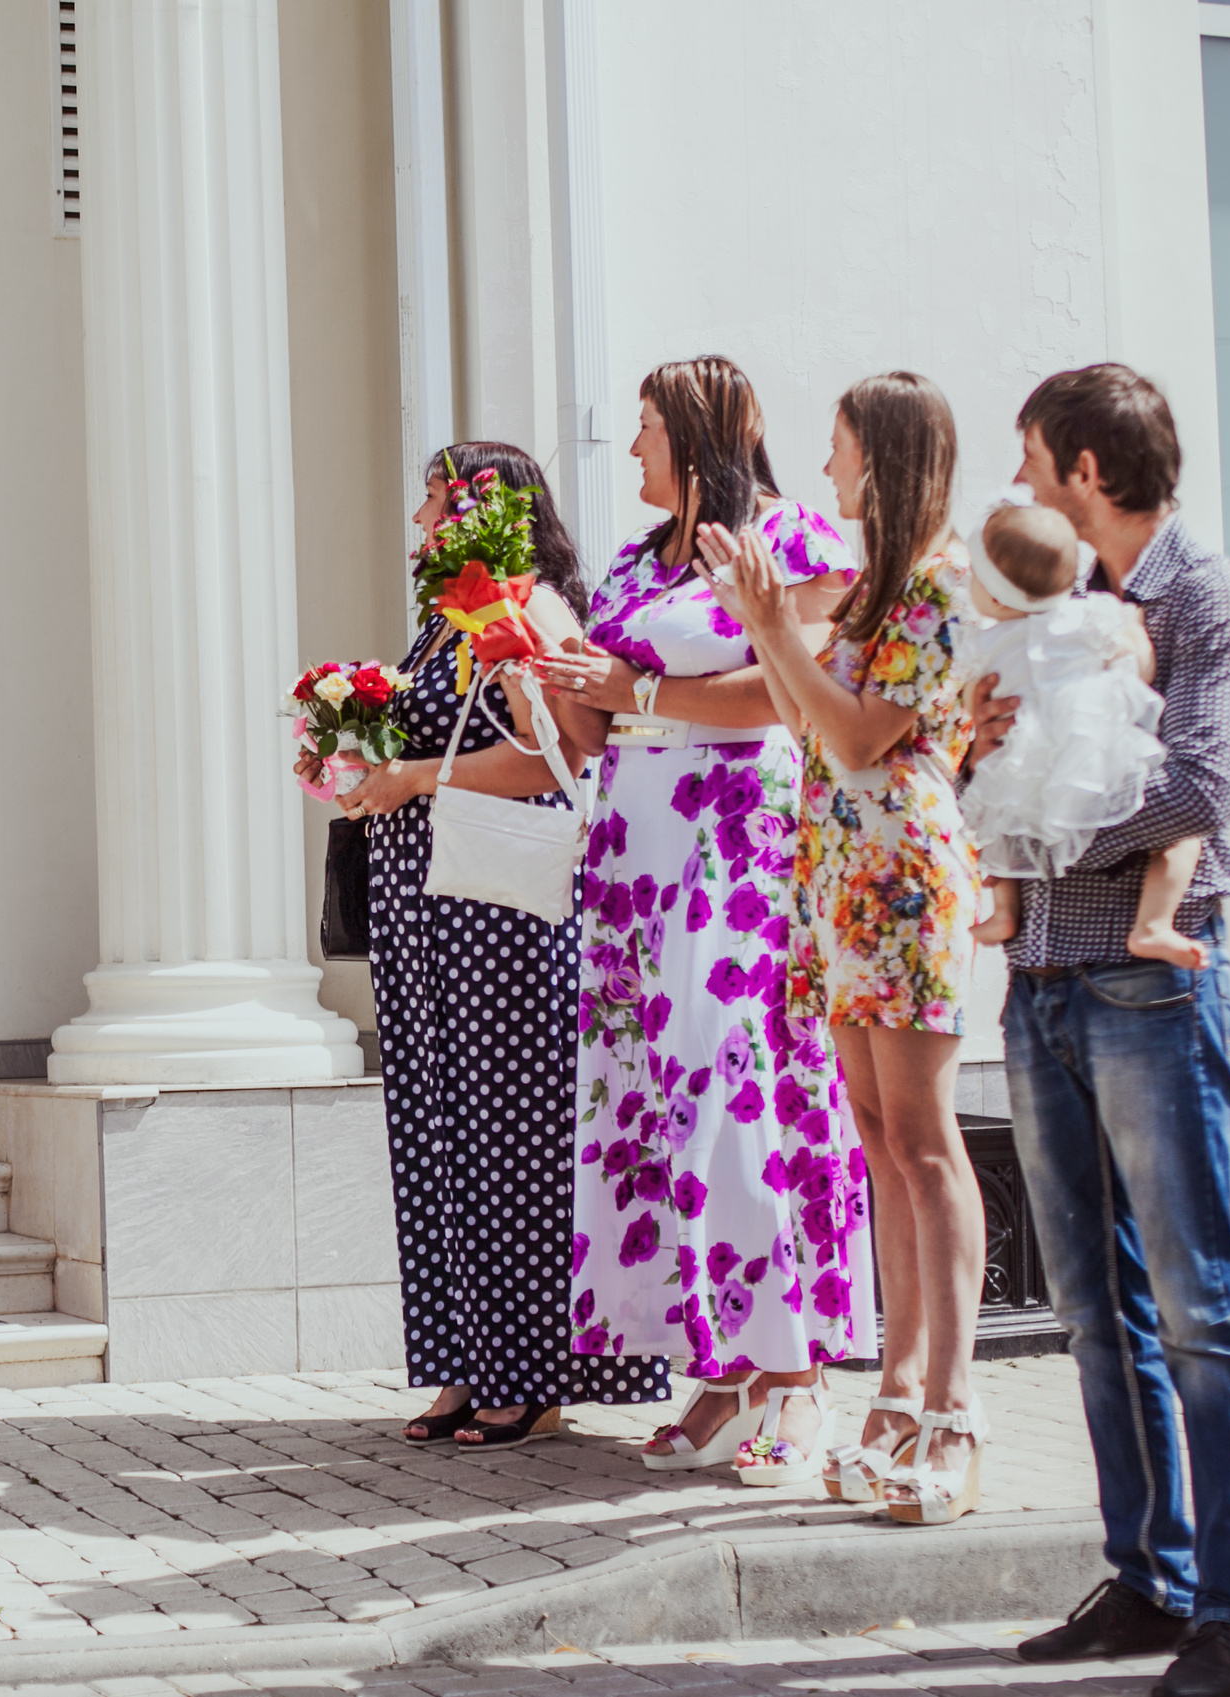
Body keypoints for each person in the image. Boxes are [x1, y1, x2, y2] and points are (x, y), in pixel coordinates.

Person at [969, 365, 1230, 1697]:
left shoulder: (1207, 599)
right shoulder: (1057, 602)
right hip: (1040, 981)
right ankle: (1146, 1579)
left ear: (1086, 466)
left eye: (1033, 453)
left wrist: (1041, 832)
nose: (1021, 476)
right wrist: (979, 754)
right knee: (1098, 1309)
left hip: (1150, 988)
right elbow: (983, 751)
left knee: (1199, 1305)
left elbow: (1204, 781)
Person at [535, 357, 875, 1487]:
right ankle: (723, 1365)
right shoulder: (636, 561)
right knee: (653, 1099)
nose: (630, 451)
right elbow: (598, 708)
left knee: (733, 1086)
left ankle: (796, 1374)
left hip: (735, 844)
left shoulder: (792, 540)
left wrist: (629, 693)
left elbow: (785, 688)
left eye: (644, 430)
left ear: (698, 434)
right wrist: (556, 679)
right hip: (633, 853)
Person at [326, 442, 668, 1449]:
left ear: (489, 511)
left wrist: (414, 778)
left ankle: (532, 1373)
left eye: (440, 495)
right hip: (422, 906)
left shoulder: (525, 607)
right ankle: (465, 1362)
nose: (421, 513)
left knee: (511, 1134)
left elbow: (552, 759)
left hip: (501, 915)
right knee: (438, 1132)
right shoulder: (442, 624)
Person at [701, 372, 985, 1525]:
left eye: (838, 449)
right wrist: (763, 623)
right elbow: (799, 707)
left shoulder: (942, 584)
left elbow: (863, 733)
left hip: (902, 878)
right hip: (837, 874)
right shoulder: (871, 587)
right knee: (876, 1136)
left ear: (886, 455)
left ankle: (951, 1407)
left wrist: (775, 626)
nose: (824, 471)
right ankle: (896, 1383)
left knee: (923, 1140)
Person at [960, 497, 1203, 971]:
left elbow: (973, 697)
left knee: (1001, 824)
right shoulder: (1090, 614)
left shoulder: (986, 641)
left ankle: (1004, 912)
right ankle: (1154, 923)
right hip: (1092, 755)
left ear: (993, 595)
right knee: (1180, 837)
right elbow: (1140, 664)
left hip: (1025, 759)